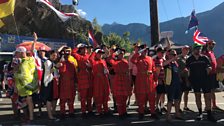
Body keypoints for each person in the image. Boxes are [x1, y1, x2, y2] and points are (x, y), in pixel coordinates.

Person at [186, 43, 216, 122]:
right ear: (193, 49)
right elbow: (187, 70)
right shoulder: (189, 59)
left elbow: (209, 66)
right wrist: (188, 80)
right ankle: (200, 113)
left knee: (207, 96)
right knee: (197, 96)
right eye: (197, 48)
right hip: (195, 81)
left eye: (200, 48)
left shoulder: (204, 58)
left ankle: (209, 114)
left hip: (205, 80)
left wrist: (209, 69)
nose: (198, 50)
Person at [131, 44, 158, 120]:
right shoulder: (138, 58)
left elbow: (154, 69)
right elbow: (132, 60)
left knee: (152, 98)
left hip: (150, 80)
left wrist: (156, 79)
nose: (145, 52)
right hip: (141, 81)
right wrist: (138, 53)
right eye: (144, 50)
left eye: (146, 50)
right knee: (141, 98)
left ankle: (153, 113)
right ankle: (141, 113)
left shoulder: (150, 58)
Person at [14, 46, 38, 122]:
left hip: (27, 86)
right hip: (25, 86)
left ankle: (30, 117)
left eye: (17, 53)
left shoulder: (26, 61)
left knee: (28, 101)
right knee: (24, 102)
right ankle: (29, 116)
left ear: (21, 53)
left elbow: (22, 75)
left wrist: (16, 71)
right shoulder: (28, 60)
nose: (16, 55)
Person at [108, 48, 132, 119]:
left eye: (122, 54)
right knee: (119, 97)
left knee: (124, 97)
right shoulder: (115, 62)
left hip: (125, 79)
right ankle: (120, 113)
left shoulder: (125, 61)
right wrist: (112, 52)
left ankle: (124, 112)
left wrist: (129, 81)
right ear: (117, 55)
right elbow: (109, 59)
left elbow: (128, 71)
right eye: (120, 54)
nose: (121, 55)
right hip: (118, 79)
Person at [72, 43, 93, 118]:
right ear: (80, 50)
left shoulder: (88, 56)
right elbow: (73, 52)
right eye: (83, 49)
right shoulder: (78, 56)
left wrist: (91, 66)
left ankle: (90, 110)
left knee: (89, 96)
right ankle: (83, 112)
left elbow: (93, 63)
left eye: (85, 49)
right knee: (83, 97)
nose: (85, 50)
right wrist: (77, 46)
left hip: (89, 77)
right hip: (82, 78)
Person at [57, 47, 78, 119]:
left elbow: (75, 74)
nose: (67, 53)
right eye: (66, 52)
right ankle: (62, 113)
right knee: (63, 99)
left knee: (71, 99)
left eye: (69, 52)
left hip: (71, 83)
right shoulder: (60, 63)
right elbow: (58, 72)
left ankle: (71, 112)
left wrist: (76, 83)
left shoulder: (72, 63)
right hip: (63, 83)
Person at [89, 48, 110, 116]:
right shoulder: (93, 60)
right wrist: (95, 51)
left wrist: (107, 71)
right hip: (97, 80)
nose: (100, 55)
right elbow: (90, 58)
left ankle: (106, 110)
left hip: (104, 79)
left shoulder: (103, 61)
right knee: (98, 95)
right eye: (99, 53)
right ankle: (99, 111)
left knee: (105, 94)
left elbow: (106, 69)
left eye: (101, 53)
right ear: (96, 54)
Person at [163, 50, 183, 122]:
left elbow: (177, 72)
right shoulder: (168, 63)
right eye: (172, 54)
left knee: (177, 100)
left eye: (175, 55)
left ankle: (177, 114)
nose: (174, 56)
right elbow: (163, 64)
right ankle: (168, 115)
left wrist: (180, 79)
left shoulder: (176, 63)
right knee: (170, 100)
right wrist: (172, 59)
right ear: (169, 55)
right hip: (170, 84)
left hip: (177, 83)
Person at [202, 40, 222, 111]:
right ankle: (208, 106)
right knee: (208, 91)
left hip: (214, 74)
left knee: (212, 91)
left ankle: (214, 105)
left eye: (213, 44)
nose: (213, 45)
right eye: (211, 44)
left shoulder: (212, 53)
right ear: (208, 44)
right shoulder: (205, 53)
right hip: (208, 75)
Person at [40, 50, 59, 121]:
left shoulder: (52, 62)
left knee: (53, 98)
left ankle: (52, 113)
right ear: (50, 55)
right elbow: (49, 72)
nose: (55, 57)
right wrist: (56, 67)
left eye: (56, 55)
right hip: (48, 82)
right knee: (49, 99)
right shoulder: (47, 62)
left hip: (53, 81)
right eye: (54, 55)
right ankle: (50, 115)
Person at [177, 45, 192, 111]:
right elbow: (177, 69)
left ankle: (185, 106)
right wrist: (179, 77)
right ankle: (178, 107)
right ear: (182, 50)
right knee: (180, 93)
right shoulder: (178, 58)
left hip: (187, 77)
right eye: (185, 49)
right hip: (181, 77)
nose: (186, 50)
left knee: (186, 93)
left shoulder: (188, 57)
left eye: (187, 49)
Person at [153, 45, 167, 114]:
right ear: (158, 52)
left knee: (163, 94)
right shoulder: (155, 60)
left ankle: (162, 106)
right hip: (158, 80)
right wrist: (158, 79)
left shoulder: (162, 59)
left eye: (163, 52)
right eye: (161, 52)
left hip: (163, 79)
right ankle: (156, 107)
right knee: (158, 94)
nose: (162, 53)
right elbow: (155, 71)